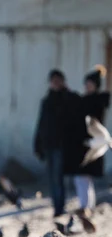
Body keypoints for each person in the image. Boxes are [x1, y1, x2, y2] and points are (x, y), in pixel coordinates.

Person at [65, 65, 110, 232]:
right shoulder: (90, 101)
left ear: (95, 85)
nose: (87, 86)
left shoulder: (96, 102)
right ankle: (86, 208)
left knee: (83, 176)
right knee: (83, 177)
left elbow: (89, 120)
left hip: (92, 144)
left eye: (90, 84)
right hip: (87, 144)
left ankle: (86, 207)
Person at [34, 69, 82, 218]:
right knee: (52, 178)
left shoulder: (68, 99)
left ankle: (60, 207)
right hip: (48, 145)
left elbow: (77, 113)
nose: (55, 83)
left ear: (62, 81)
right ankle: (57, 206)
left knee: (58, 178)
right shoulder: (46, 101)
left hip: (61, 146)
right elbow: (41, 124)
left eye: (58, 80)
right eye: (53, 81)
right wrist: (37, 144)